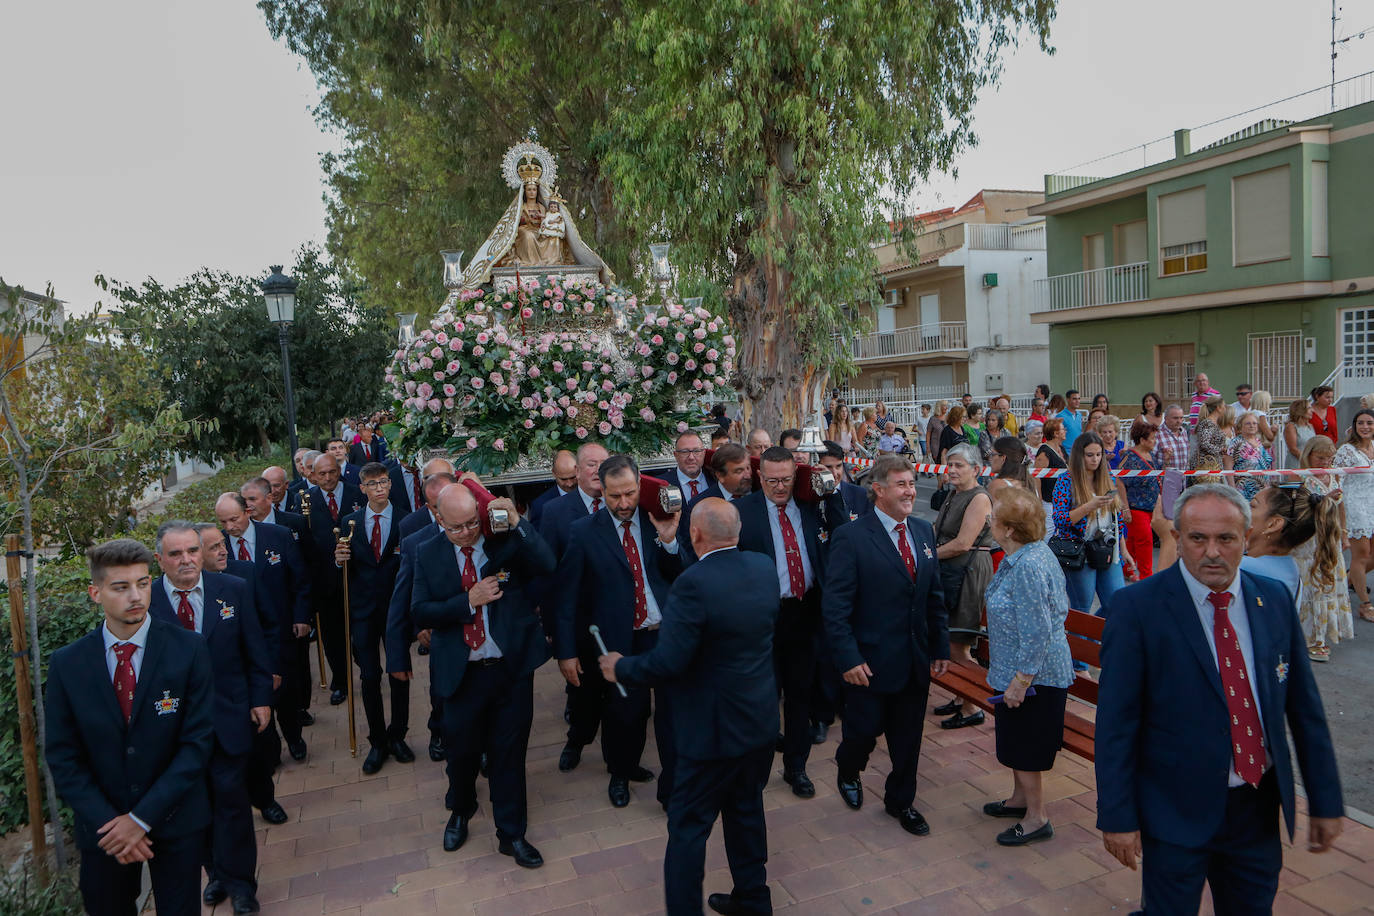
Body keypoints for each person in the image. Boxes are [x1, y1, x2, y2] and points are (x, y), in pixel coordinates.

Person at [1095, 484, 1344, 914]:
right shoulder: (1137, 608)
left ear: (1246, 539)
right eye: (1198, 538)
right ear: (1177, 536)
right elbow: (1117, 722)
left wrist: (1325, 799)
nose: (1212, 552)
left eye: (1226, 539)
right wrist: (1116, 815)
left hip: (1255, 810)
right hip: (1174, 811)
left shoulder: (1274, 600)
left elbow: (1305, 710)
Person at [601, 499, 779, 916]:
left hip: (712, 732)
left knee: (687, 828)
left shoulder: (692, 584)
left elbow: (668, 662)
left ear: (695, 535)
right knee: (746, 811)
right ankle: (754, 901)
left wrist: (621, 668)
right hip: (758, 720)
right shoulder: (763, 567)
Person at [44, 539, 216, 916]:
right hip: (105, 833)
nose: (135, 596)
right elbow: (63, 756)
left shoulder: (188, 649)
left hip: (176, 820)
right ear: (96, 592)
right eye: (121, 587)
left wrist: (141, 819)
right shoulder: (67, 665)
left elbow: (196, 744)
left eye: (142, 583)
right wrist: (113, 824)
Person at [411, 485, 555, 866]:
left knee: (509, 755)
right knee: (461, 754)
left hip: (510, 670)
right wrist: (466, 602)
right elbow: (420, 611)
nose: (467, 533)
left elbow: (547, 563)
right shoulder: (426, 552)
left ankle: (512, 834)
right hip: (461, 674)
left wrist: (519, 522)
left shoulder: (503, 541)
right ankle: (461, 809)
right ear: (439, 519)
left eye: (472, 522)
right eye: (456, 527)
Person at [823, 455, 949, 837]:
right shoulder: (851, 537)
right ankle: (848, 767)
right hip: (869, 664)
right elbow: (836, 606)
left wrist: (940, 647)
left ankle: (901, 801)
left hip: (914, 661)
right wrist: (847, 657)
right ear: (878, 490)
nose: (910, 491)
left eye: (912, 483)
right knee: (862, 733)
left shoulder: (924, 532)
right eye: (901, 484)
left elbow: (934, 597)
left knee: (908, 739)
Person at [150, 521, 271, 915]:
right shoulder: (147, 604)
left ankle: (241, 886)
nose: (186, 560)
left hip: (229, 718)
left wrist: (261, 698)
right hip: (175, 731)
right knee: (193, 806)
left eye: (192, 551)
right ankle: (214, 872)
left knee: (232, 803)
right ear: (160, 560)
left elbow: (254, 648)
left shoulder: (232, 590)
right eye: (176, 554)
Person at [554, 455, 688, 809]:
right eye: (615, 497)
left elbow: (685, 576)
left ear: (640, 484)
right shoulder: (583, 532)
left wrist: (671, 542)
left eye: (629, 493)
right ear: (602, 490)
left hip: (664, 634)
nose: (624, 503)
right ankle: (621, 771)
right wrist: (566, 652)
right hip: (620, 639)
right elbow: (566, 597)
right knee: (626, 712)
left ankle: (673, 791)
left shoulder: (658, 517)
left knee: (674, 714)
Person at [735, 446, 846, 799]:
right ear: (759, 477)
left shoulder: (812, 507)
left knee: (801, 696)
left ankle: (796, 768)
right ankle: (757, 770)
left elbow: (843, 536)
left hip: (805, 612)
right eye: (772, 480)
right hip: (763, 618)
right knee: (764, 700)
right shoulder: (743, 513)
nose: (779, 487)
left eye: (786, 480)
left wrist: (831, 492)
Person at [980, 487, 1073, 847]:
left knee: (1028, 746)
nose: (990, 520)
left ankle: (1037, 817)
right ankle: (1019, 800)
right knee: (1017, 741)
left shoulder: (1029, 565)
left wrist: (1020, 682)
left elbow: (1037, 632)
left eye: (995, 517)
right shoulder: (1020, 555)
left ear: (1010, 530)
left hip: (1035, 678)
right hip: (1014, 671)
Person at [215, 491, 312, 802]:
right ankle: (269, 751)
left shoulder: (278, 535)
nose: (229, 527)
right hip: (242, 634)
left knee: (287, 687)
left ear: (248, 511)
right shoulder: (216, 548)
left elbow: (300, 578)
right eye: (223, 522)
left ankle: (294, 736)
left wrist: (301, 616)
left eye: (234, 518)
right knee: (261, 692)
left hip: (279, 627)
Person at [332, 462, 412, 774]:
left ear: (390, 484)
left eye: (383, 482)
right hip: (363, 611)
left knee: (399, 671)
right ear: (362, 488)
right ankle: (377, 740)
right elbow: (344, 568)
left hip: (395, 609)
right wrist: (339, 561)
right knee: (368, 676)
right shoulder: (349, 522)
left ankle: (398, 734)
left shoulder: (405, 520)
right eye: (372, 484)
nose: (379, 488)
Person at [537, 442, 610, 773]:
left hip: (619, 621)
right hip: (578, 626)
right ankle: (576, 741)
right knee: (583, 695)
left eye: (603, 464)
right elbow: (549, 579)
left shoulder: (622, 504)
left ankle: (619, 763)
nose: (597, 471)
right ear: (577, 471)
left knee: (621, 700)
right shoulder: (555, 512)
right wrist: (556, 635)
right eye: (591, 465)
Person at [387, 471, 456, 763]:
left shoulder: (485, 528)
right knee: (442, 691)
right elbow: (402, 598)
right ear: (431, 509)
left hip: (482, 634)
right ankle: (438, 730)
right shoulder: (417, 542)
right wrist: (397, 657)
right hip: (443, 633)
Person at [931, 444, 995, 731]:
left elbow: (963, 543)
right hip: (951, 571)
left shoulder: (979, 498)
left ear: (976, 470)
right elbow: (936, 532)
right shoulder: (954, 494)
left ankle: (973, 706)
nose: (953, 470)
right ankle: (961, 696)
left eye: (959, 465)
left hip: (969, 572)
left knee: (959, 643)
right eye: (950, 464)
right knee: (950, 638)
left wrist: (925, 556)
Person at [302, 453, 366, 706]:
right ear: (313, 475)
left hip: (358, 577)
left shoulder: (358, 494)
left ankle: (367, 666)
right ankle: (341, 681)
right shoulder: (304, 500)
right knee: (332, 637)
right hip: (325, 583)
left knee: (361, 633)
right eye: (322, 474)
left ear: (339, 470)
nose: (327, 478)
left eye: (332, 472)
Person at [1052, 433, 1135, 612]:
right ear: (1079, 456)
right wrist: (1088, 506)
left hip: (1107, 548)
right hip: (1079, 550)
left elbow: (1117, 519)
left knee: (1117, 603)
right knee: (1082, 607)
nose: (1095, 459)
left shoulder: (1107, 477)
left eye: (1099, 454)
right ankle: (1082, 638)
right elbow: (1060, 520)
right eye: (1090, 455)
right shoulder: (1066, 481)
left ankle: (1094, 635)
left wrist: (1124, 550)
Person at [1297, 438, 1356, 659]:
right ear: (1309, 455)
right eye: (1320, 457)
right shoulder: (1301, 477)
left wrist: (1344, 533)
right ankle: (1312, 638)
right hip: (1310, 541)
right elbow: (1299, 511)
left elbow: (1342, 508)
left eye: (1328, 458)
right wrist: (1323, 500)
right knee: (1313, 587)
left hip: (1331, 540)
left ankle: (1322, 634)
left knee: (1329, 586)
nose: (1324, 462)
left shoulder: (1334, 475)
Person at [1336, 408, 1374, 622]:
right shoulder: (1347, 451)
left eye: (1369, 422)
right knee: (1361, 556)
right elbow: (1336, 480)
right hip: (1355, 506)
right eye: (1361, 423)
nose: (1365, 427)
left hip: (1372, 504)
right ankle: (1365, 604)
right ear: (1354, 426)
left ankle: (1344, 581)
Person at [1120, 420, 1166, 579]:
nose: (1155, 441)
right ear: (1142, 440)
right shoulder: (1130, 457)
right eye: (1152, 438)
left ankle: (1126, 569)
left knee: (1133, 540)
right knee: (1145, 541)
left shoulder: (1151, 454)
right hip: (1136, 506)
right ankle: (1147, 575)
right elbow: (1120, 481)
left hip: (1151, 505)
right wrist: (1125, 508)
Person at [1033, 418, 1069, 535]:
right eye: (1063, 429)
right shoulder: (1044, 452)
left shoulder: (1061, 449)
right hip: (1048, 499)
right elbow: (1036, 476)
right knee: (1048, 530)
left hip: (1061, 498)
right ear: (1055, 433)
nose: (1066, 431)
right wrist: (1039, 499)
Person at [527, 449, 578, 527]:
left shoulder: (592, 492)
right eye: (563, 479)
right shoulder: (541, 505)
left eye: (573, 477)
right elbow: (537, 538)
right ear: (554, 473)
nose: (569, 484)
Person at [1228, 412, 1272, 501]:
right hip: (1243, 491)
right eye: (1248, 423)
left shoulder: (1258, 442)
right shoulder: (1236, 443)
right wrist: (1233, 490)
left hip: (1261, 488)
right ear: (1241, 426)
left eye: (1254, 423)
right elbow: (1228, 467)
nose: (1252, 426)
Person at [663, 431, 715, 501]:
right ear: (676, 455)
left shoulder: (717, 479)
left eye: (696, 451)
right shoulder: (662, 484)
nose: (691, 457)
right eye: (684, 452)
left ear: (704, 454)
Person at [1192, 396, 1228, 470]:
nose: (1225, 408)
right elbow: (1204, 443)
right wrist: (1220, 449)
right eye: (1224, 406)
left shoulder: (1214, 423)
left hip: (1214, 464)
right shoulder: (1207, 423)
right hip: (1206, 465)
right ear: (1218, 408)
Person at [1153, 404, 1190, 473]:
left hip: (1183, 478)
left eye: (1181, 418)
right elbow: (1151, 459)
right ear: (1166, 418)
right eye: (1175, 418)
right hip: (1165, 479)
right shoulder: (1157, 434)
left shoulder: (1184, 432)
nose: (1179, 421)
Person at [1281, 398, 1315, 470]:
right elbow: (1293, 449)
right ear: (1301, 410)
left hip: (1310, 465)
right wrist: (1307, 461)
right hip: (1296, 465)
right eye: (1309, 408)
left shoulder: (1310, 426)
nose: (1312, 411)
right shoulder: (1291, 427)